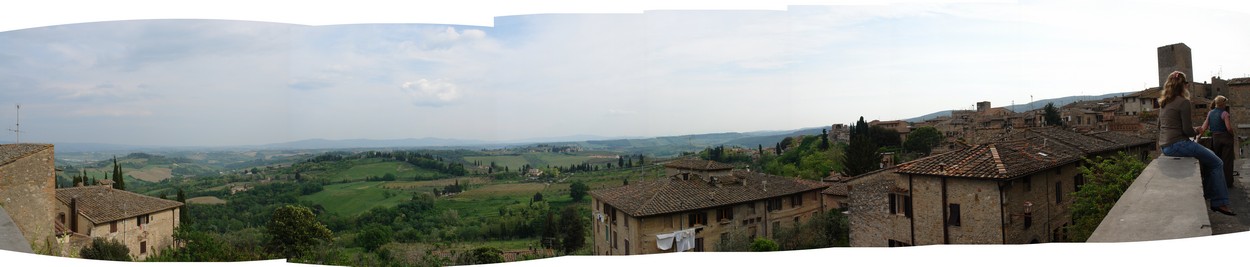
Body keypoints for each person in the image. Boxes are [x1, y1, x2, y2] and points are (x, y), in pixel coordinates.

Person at [1158, 71, 1235, 216]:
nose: (1187, 86)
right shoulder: (1184, 102)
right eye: (1186, 84)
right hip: (1178, 144)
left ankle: (1209, 194)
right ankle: (1219, 202)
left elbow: (1161, 126)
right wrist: (1197, 130)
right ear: (1183, 85)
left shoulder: (1164, 103)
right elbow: (1187, 131)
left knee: (1210, 158)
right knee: (1217, 163)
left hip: (1165, 147)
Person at [1198, 95, 1237, 189]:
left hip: (1215, 138)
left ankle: (1217, 181)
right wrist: (1233, 134)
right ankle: (1227, 183)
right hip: (1225, 138)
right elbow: (1228, 128)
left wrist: (1199, 136)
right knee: (1227, 161)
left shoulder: (1210, 113)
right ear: (1223, 104)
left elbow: (1204, 127)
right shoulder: (1224, 113)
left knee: (1217, 161)